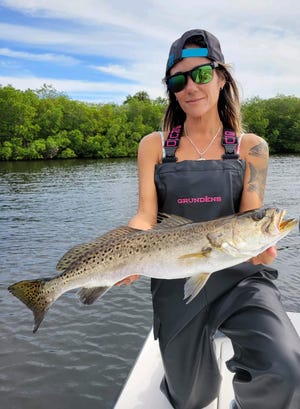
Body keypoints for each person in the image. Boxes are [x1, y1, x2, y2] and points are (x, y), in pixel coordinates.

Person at [116, 29, 300, 409]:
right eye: (178, 80)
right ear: (171, 88)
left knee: (285, 369)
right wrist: (123, 250)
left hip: (240, 278)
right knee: (191, 397)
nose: (190, 87)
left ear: (221, 77)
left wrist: (261, 246)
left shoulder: (254, 147)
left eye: (200, 74)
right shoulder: (153, 145)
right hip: (174, 281)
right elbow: (145, 215)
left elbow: (252, 214)